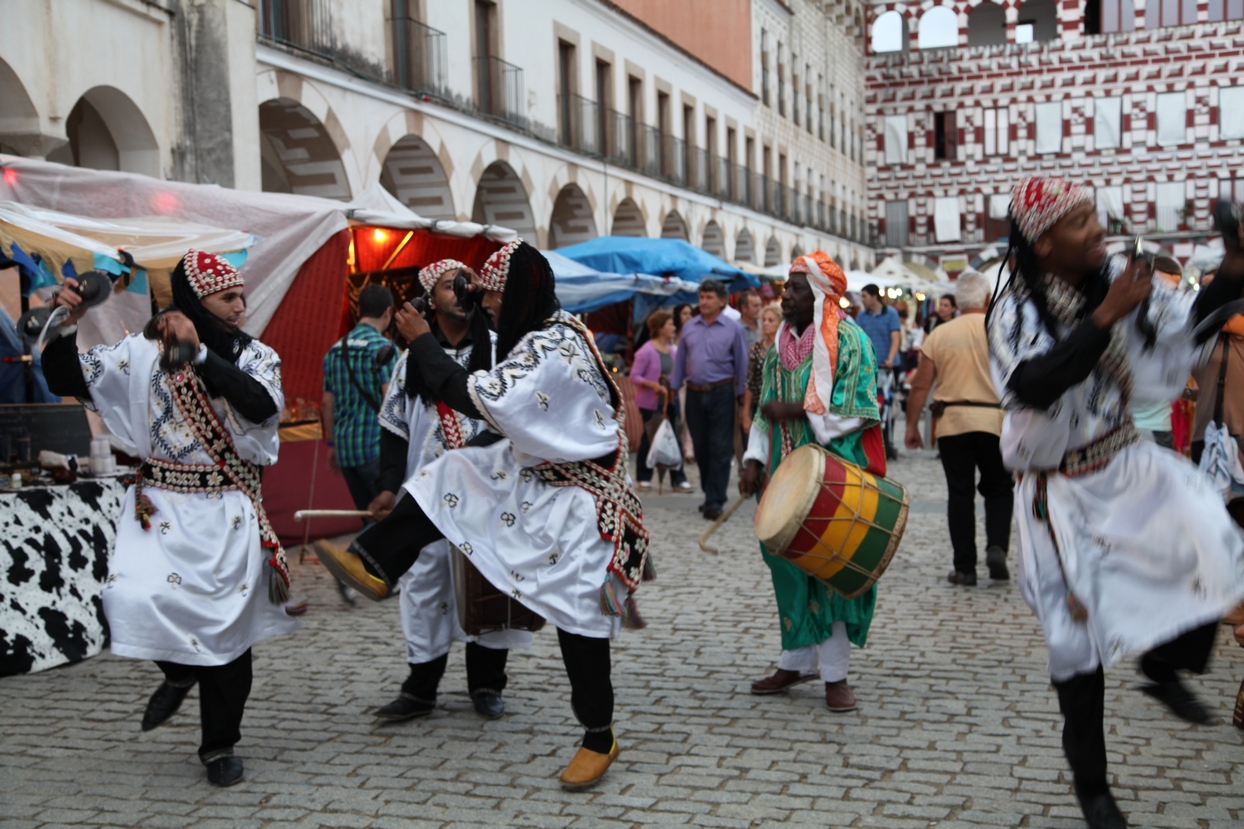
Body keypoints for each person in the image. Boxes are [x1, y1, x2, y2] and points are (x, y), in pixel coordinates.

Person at [313, 241, 651, 791]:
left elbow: (474, 399)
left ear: (516, 292)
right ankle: (376, 560)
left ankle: (598, 734)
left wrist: (421, 342)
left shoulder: (552, 346)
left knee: (578, 617)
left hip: (585, 498)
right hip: (540, 476)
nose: (484, 305)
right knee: (451, 474)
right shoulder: (544, 332)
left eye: (490, 294)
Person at [986, 176, 1244, 829]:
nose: (1097, 230)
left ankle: (1164, 662)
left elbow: (1189, 325)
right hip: (1058, 491)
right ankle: (1095, 792)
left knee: (1214, 542)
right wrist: (1105, 317)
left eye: (1094, 218)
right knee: (1077, 646)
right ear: (1044, 245)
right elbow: (1037, 384)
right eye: (1079, 224)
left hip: (1126, 463)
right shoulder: (1014, 310)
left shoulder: (1121, 290)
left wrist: (1233, 269)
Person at [41, 250, 298, 787]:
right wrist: (65, 324)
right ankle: (180, 671)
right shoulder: (141, 351)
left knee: (227, 634)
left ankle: (219, 744)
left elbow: (260, 406)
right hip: (157, 506)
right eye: (228, 297)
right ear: (193, 300)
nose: (240, 307)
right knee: (126, 597)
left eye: (242, 296)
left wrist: (202, 356)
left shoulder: (255, 356)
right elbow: (69, 377)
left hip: (226, 508)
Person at [356, 259, 531, 724]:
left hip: (490, 496)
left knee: (489, 584)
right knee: (423, 587)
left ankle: (487, 684)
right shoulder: (410, 358)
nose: (460, 291)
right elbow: (395, 429)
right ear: (428, 300)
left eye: (466, 283)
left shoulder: (500, 352)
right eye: (448, 285)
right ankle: (420, 688)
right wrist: (389, 488)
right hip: (426, 499)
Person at [740, 251, 884, 714]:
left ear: (821, 293)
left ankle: (835, 675)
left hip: (833, 470)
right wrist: (752, 458)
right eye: (787, 286)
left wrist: (798, 410)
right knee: (786, 563)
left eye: (796, 288)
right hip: (785, 470)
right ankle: (796, 659)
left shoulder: (850, 340)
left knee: (829, 566)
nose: (786, 295)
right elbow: (765, 407)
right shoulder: (779, 342)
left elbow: (857, 411)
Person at [904, 270, 1012, 586]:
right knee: (1000, 488)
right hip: (996, 422)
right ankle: (997, 548)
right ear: (988, 298)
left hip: (953, 424)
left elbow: (921, 385)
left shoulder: (940, 335)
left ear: (958, 302)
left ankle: (964, 567)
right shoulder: (1002, 329)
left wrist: (911, 425)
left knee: (960, 494)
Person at [671, 279, 749, 520]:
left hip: (722, 392)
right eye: (702, 297)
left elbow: (742, 364)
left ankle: (714, 500)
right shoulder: (690, 327)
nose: (703, 302)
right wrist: (673, 391)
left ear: (722, 301)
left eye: (709, 298)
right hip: (694, 392)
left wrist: (741, 399)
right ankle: (711, 493)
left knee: (721, 447)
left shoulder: (733, 328)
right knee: (701, 446)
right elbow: (680, 362)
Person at [321, 284, 396, 514]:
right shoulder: (383, 348)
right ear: (388, 312)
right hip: (375, 450)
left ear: (359, 310)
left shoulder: (334, 350)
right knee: (387, 518)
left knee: (367, 516)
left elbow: (326, 403)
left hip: (345, 451)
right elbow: (390, 400)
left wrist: (332, 444)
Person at [631, 310, 691, 492]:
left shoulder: (673, 351)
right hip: (651, 402)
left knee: (675, 437)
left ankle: (678, 478)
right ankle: (643, 477)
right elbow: (635, 376)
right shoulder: (646, 351)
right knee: (650, 438)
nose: (674, 327)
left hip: (670, 400)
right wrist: (653, 385)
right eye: (670, 324)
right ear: (660, 328)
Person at [1130, 256, 1185, 449]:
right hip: (1125, 430)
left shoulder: (1171, 325)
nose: (1168, 297)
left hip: (1157, 425)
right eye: (1162, 288)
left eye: (1173, 291)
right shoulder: (1122, 317)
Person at [857, 284, 902, 458]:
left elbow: (895, 338)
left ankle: (887, 441)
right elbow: (860, 339)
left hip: (887, 367)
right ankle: (872, 443)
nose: (862, 299)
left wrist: (890, 359)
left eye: (865, 296)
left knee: (888, 405)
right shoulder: (862, 316)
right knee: (871, 404)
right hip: (869, 369)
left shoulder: (890, 313)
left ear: (875, 297)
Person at [742, 305, 782, 436]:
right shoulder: (756, 348)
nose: (765, 323)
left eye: (771, 320)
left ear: (781, 323)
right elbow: (750, 382)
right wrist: (746, 413)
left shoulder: (785, 348)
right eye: (763, 320)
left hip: (781, 405)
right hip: (759, 406)